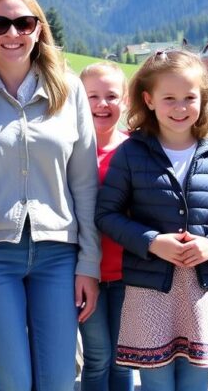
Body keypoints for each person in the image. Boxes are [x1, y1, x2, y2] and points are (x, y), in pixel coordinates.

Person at [0, 0, 100, 391]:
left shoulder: (68, 90)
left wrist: (88, 263)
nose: (12, 34)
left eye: (24, 23)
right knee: (13, 382)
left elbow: (85, 184)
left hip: (58, 257)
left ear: (39, 30)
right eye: (0, 24)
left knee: (57, 381)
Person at [95, 49, 208, 391]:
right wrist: (152, 241)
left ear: (203, 99)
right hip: (148, 289)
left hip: (201, 288)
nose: (180, 108)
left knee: (195, 383)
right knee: (157, 385)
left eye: (189, 98)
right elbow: (106, 215)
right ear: (149, 99)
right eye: (169, 98)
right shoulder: (131, 152)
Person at [78, 61, 133, 391]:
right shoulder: (71, 151)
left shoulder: (136, 151)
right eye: (92, 96)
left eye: (111, 95)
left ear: (125, 101)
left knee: (123, 358)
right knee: (98, 357)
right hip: (87, 275)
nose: (102, 104)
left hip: (128, 275)